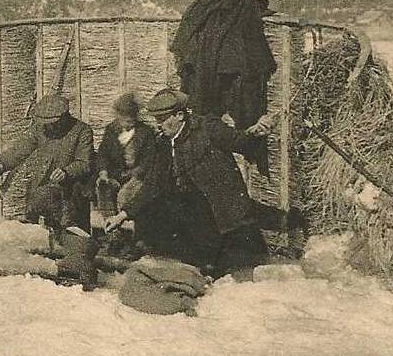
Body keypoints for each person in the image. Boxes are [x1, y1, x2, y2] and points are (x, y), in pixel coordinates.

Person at [105, 88, 276, 278]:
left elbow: (241, 142)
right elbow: (153, 183)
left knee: (242, 272)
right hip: (192, 216)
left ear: (179, 115)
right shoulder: (163, 143)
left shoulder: (208, 128)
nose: (159, 125)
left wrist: (257, 132)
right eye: (156, 120)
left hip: (222, 211)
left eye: (162, 119)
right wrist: (122, 215)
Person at [0, 94, 97, 290]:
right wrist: (2, 163)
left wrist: (66, 172)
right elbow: (21, 148)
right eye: (46, 123)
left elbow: (85, 163)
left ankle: (79, 266)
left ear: (64, 117)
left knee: (73, 229)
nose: (49, 127)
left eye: (53, 122)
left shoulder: (81, 131)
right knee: (42, 216)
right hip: (45, 189)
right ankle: (57, 259)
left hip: (73, 190)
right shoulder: (40, 130)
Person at [95, 91, 156, 216]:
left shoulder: (145, 133)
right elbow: (103, 154)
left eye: (131, 121)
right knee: (103, 187)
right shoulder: (111, 130)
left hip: (137, 176)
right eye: (125, 121)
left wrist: (135, 174)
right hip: (115, 174)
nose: (128, 124)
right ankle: (109, 222)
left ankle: (126, 225)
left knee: (125, 195)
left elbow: (149, 160)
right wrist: (103, 172)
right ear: (118, 117)